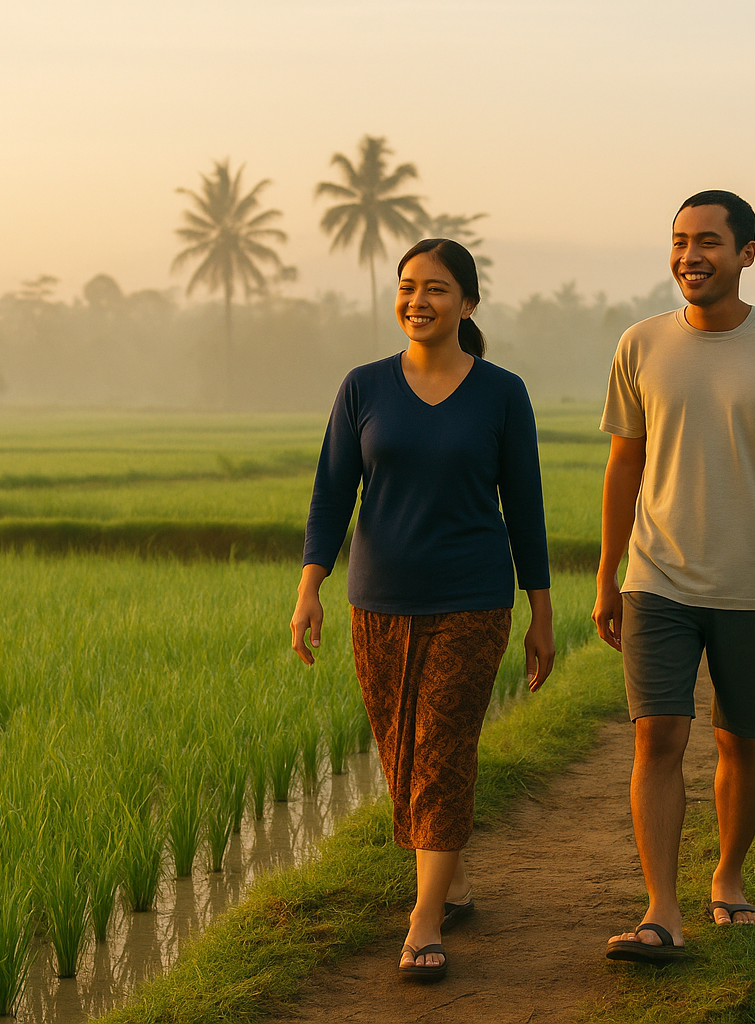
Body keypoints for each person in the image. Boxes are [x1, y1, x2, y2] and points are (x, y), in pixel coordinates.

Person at [291, 237, 556, 982]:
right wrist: (309, 587)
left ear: (467, 303)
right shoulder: (363, 387)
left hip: (472, 599)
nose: (418, 301)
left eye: (436, 288)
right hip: (377, 601)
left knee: (441, 750)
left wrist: (541, 612)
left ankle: (424, 920)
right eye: (408, 287)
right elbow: (332, 492)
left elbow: (526, 507)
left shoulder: (502, 393)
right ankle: (456, 878)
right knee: (401, 751)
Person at [595, 191, 755, 963]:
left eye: (708, 240)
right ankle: (661, 909)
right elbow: (624, 463)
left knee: (744, 740)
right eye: (679, 240)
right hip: (658, 577)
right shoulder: (640, 344)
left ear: (746, 254)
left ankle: (728, 879)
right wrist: (608, 575)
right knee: (660, 734)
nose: (689, 255)